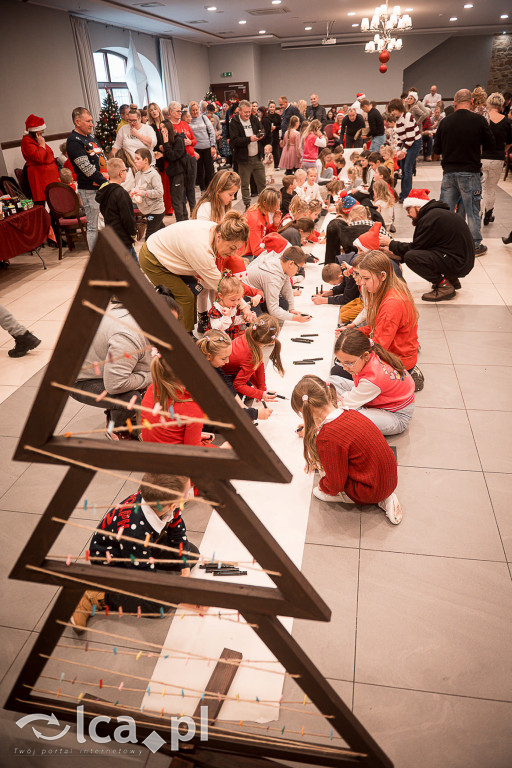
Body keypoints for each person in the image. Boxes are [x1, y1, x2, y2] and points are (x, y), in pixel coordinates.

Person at [70, 473, 200, 632]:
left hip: (143, 546)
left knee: (191, 554)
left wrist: (184, 566)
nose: (189, 494)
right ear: (173, 505)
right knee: (157, 605)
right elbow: (145, 578)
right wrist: (179, 596)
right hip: (113, 563)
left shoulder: (160, 502)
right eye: (187, 492)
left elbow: (178, 532)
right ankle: (96, 596)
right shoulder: (135, 534)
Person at [291, 376, 402, 524]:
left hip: (368, 491)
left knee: (318, 491)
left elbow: (335, 483)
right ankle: (385, 496)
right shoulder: (350, 412)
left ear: (308, 410)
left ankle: (376, 498)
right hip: (390, 479)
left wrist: (324, 485)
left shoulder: (328, 437)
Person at [72, 290, 179, 437]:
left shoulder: (139, 313)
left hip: (105, 365)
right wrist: (152, 376)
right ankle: (117, 429)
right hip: (79, 380)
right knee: (131, 399)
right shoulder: (128, 336)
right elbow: (115, 384)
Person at [138, 212, 249, 331]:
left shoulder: (217, 229)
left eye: (237, 249)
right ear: (219, 237)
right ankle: (184, 337)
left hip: (166, 251)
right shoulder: (201, 249)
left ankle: (188, 328)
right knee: (185, 297)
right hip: (153, 258)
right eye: (232, 248)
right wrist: (244, 306)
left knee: (194, 290)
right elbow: (222, 286)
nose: (233, 253)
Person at [379, 188, 475, 302]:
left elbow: (415, 249)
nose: (408, 214)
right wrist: (398, 255)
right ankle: (451, 278)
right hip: (461, 260)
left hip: (458, 263)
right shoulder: (436, 214)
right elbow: (424, 247)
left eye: (409, 209)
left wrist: (390, 243)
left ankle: (444, 286)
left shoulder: (430, 218)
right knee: (413, 255)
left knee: (411, 257)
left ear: (418, 206)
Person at [433, 88, 495, 256]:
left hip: (449, 173)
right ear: (472, 102)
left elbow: (436, 149)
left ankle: (445, 243)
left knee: (445, 210)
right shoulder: (479, 120)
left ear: (454, 102)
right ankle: (475, 245)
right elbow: (490, 144)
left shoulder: (445, 122)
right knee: (472, 209)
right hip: (470, 171)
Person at [330, 330, 415, 436]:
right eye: (340, 362)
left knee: (349, 416)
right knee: (332, 381)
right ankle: (351, 402)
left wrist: (322, 418)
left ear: (365, 356)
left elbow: (346, 405)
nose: (344, 368)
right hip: (378, 398)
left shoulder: (373, 378)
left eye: (349, 363)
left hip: (397, 416)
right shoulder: (368, 356)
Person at [355, 251, 421, 386]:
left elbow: (378, 347)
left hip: (398, 362)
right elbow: (376, 327)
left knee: (340, 370)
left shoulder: (392, 304)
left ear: (383, 276)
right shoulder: (392, 289)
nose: (362, 283)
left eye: (366, 279)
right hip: (399, 356)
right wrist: (356, 333)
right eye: (361, 277)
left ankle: (404, 378)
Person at [245, 234, 311, 326]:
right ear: (291, 264)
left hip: (259, 294)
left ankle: (262, 309)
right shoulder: (272, 277)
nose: (297, 272)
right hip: (248, 297)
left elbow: (287, 288)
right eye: (298, 268)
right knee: (261, 325)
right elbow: (273, 310)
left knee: (285, 306)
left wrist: (292, 309)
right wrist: (296, 318)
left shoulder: (281, 265)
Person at [66, 107, 107, 250]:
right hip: (90, 189)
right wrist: (106, 182)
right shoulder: (73, 141)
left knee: (106, 223)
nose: (92, 124)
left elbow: (102, 158)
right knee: (93, 226)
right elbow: (86, 168)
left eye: (91, 121)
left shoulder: (90, 137)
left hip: (101, 185)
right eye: (88, 121)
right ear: (77, 122)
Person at [141, 355, 204, 445]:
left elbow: (166, 432)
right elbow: (194, 451)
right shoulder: (192, 407)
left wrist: (196, 436)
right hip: (174, 457)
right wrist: (222, 449)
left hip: (150, 452)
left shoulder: (153, 389)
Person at [221, 314, 283, 402]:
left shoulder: (249, 334)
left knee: (249, 386)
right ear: (271, 342)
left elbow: (259, 363)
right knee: (239, 396)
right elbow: (238, 385)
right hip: (220, 374)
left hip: (221, 367)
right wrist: (260, 394)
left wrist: (261, 389)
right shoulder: (251, 356)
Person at [95, 158, 137, 261]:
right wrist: (133, 233)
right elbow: (127, 218)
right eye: (125, 170)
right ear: (121, 173)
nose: (126, 173)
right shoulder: (121, 193)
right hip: (123, 238)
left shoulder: (105, 191)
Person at [481, 92, 512, 226]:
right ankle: (488, 216)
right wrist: (503, 151)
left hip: (482, 158)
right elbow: (510, 141)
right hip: (498, 158)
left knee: (481, 189)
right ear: (501, 105)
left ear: (488, 104)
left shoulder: (483, 119)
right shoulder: (506, 121)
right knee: (491, 189)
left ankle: (479, 214)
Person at [229, 99, 266, 209]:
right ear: (239, 111)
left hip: (257, 157)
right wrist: (249, 139)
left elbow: (261, 128)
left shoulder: (253, 118)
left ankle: (263, 203)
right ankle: (247, 205)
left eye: (249, 112)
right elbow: (235, 140)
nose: (248, 114)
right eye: (245, 112)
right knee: (245, 184)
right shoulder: (234, 122)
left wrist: (261, 134)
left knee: (262, 183)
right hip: (243, 159)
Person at [386, 98, 423, 204]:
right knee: (402, 170)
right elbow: (399, 137)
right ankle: (403, 194)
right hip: (406, 143)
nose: (392, 113)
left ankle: (406, 195)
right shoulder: (398, 120)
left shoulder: (408, 117)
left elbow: (411, 138)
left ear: (399, 108)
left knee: (407, 169)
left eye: (393, 110)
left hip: (414, 143)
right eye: (391, 111)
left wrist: (404, 151)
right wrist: (397, 150)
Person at [21, 114, 60, 203]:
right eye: (41, 130)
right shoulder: (27, 142)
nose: (43, 132)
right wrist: (42, 145)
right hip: (40, 177)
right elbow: (39, 158)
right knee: (46, 202)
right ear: (34, 131)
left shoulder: (37, 140)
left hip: (48, 177)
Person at [168, 100, 197, 214]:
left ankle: (193, 211)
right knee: (181, 189)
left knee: (191, 186)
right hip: (179, 161)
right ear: (171, 112)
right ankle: (183, 213)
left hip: (191, 157)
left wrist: (189, 142)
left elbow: (195, 141)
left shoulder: (185, 124)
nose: (180, 113)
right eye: (178, 111)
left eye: (181, 111)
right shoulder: (168, 126)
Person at [206, 274, 256, 338]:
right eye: (233, 300)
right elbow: (216, 328)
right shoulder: (215, 310)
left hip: (229, 336)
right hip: (217, 340)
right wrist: (226, 316)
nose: (236, 303)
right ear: (221, 296)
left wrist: (244, 319)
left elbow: (232, 321)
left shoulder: (230, 306)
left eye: (239, 299)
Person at [148, 102, 173, 215]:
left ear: (158, 110)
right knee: (162, 184)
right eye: (151, 110)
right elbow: (151, 144)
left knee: (170, 184)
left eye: (155, 109)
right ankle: (165, 209)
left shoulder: (165, 123)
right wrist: (159, 148)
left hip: (169, 155)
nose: (153, 111)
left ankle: (170, 207)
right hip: (158, 158)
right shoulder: (150, 127)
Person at [244, 187, 282, 258]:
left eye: (278, 203)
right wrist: (275, 256)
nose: (278, 207)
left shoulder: (262, 210)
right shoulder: (255, 219)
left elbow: (266, 234)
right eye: (275, 204)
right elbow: (256, 250)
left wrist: (275, 224)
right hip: (247, 255)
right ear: (265, 203)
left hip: (256, 249)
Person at [189, 101, 216, 191]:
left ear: (199, 110)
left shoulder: (204, 118)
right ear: (190, 111)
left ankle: (211, 189)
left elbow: (211, 131)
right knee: (200, 171)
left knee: (209, 170)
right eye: (193, 110)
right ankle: (203, 189)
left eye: (196, 109)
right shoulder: (189, 121)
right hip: (197, 149)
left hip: (207, 148)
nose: (195, 112)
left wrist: (213, 146)